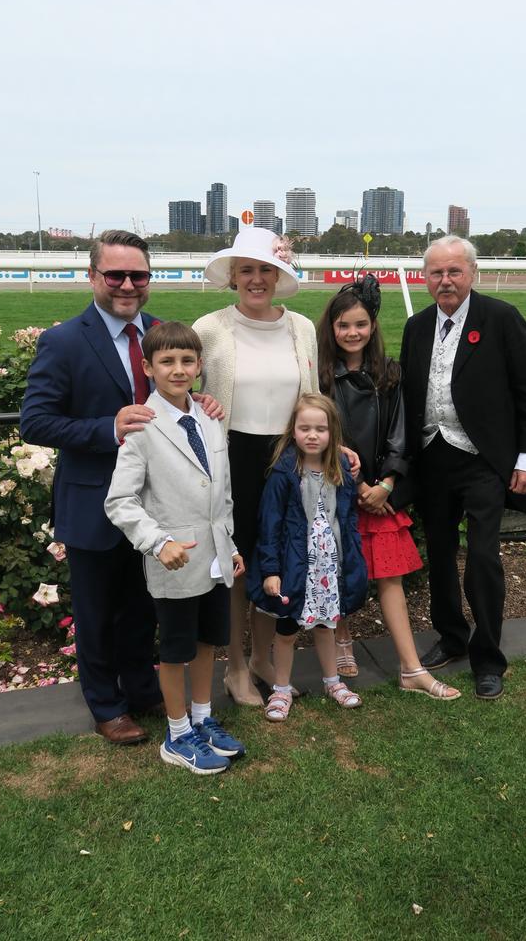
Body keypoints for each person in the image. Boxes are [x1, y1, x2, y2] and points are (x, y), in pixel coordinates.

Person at [20, 230, 220, 744]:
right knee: (96, 613)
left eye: (139, 275)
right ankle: (106, 705)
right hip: (94, 504)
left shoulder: (160, 334)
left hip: (159, 510)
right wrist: (107, 427)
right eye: (116, 275)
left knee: (141, 607)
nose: (128, 285)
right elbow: (36, 422)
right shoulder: (63, 340)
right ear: (93, 277)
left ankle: (140, 690)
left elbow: (178, 398)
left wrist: (202, 405)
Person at [400, 235, 526, 699]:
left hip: (483, 461)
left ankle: (489, 658)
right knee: (440, 554)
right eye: (436, 274)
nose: (445, 281)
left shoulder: (501, 319)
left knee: (483, 558)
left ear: (472, 273)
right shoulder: (417, 326)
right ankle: (450, 637)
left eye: (454, 272)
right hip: (432, 458)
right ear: (426, 279)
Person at [104, 322, 245, 774]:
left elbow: (219, 492)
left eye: (187, 361)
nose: (178, 369)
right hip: (175, 561)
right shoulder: (143, 427)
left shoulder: (209, 417)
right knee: (176, 650)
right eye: (167, 361)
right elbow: (119, 501)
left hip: (214, 558)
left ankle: (202, 719)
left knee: (207, 642)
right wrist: (157, 542)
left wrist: (231, 543)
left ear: (200, 366)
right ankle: (177, 732)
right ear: (148, 368)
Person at [317, 276, 460, 700]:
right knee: (337, 570)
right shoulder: (323, 376)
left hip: (381, 492)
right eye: (343, 326)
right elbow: (322, 432)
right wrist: (357, 482)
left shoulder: (389, 374)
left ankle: (411, 667)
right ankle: (341, 638)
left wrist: (387, 483)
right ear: (332, 330)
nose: (352, 333)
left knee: (391, 578)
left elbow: (401, 432)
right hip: (338, 486)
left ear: (373, 326)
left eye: (360, 324)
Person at [192, 227, 319, 706]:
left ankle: (265, 658)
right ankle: (236, 667)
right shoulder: (210, 327)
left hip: (286, 458)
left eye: (267, 269)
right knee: (236, 567)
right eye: (247, 269)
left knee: (276, 560)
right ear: (233, 276)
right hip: (232, 459)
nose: (257, 279)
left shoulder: (302, 327)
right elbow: (179, 387)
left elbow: (315, 400)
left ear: (280, 273)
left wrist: (333, 447)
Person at [246, 394, 368, 721]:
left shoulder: (340, 469)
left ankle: (333, 682)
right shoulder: (284, 472)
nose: (312, 435)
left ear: (333, 433)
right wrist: (271, 570)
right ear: (293, 431)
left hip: (328, 566)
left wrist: (352, 555)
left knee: (327, 625)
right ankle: (281, 689)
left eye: (320, 429)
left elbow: (348, 517)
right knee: (286, 630)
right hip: (293, 566)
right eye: (305, 428)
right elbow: (269, 524)